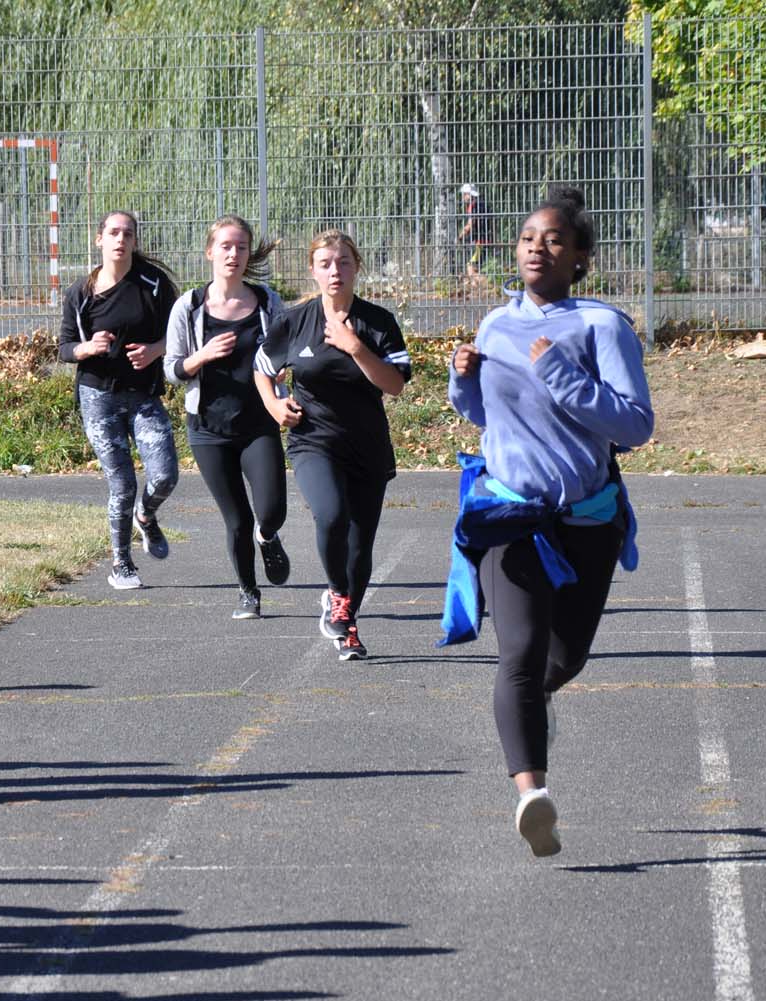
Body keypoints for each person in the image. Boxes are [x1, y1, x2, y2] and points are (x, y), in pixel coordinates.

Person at [444, 186, 654, 857]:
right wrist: (462, 381)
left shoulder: (601, 327)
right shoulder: (495, 326)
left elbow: (635, 424)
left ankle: (536, 716)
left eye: (555, 239)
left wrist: (565, 378)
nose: (538, 247)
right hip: (510, 513)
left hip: (587, 520)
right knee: (521, 656)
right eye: (530, 237)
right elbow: (483, 417)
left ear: (580, 258)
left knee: (566, 657)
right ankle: (532, 796)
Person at [254, 230, 410, 660]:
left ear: (356, 267)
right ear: (313, 270)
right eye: (325, 263)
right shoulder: (294, 321)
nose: (335, 271)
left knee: (360, 548)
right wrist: (273, 404)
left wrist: (355, 347)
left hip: (367, 447)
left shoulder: (378, 323)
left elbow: (394, 385)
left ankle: (346, 619)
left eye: (343, 262)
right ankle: (338, 595)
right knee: (331, 514)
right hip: (313, 440)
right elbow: (261, 368)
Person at [165, 215, 289, 619]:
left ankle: (267, 537)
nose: (233, 254)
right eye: (225, 246)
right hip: (209, 429)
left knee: (270, 511)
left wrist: (284, 370)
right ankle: (248, 593)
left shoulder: (268, 301)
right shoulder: (189, 306)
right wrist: (201, 356)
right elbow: (170, 369)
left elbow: (287, 351)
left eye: (240, 247)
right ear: (210, 252)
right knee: (236, 518)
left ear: (248, 253)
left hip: (259, 424)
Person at [58, 211, 180, 590]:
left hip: (143, 396)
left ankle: (147, 515)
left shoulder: (155, 285)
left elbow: (177, 337)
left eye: (127, 233)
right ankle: (121, 563)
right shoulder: (81, 293)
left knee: (164, 475)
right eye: (113, 232)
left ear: (134, 241)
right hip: (98, 396)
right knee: (123, 482)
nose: (120, 239)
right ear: (99, 240)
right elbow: (63, 348)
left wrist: (154, 351)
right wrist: (87, 348)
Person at [458, 183, 494, 283]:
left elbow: (470, 224)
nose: (463, 197)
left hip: (479, 241)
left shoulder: (473, 206)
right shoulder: (483, 204)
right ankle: (475, 286)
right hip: (487, 238)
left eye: (464, 194)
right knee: (476, 267)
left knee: (471, 267)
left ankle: (490, 283)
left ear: (469, 194)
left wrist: (460, 235)